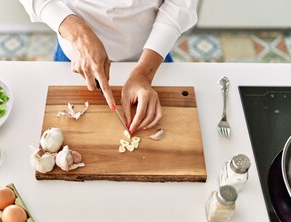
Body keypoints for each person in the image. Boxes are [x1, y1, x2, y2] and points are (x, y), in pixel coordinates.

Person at [19, 0, 198, 135]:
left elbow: (180, 4)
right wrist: (78, 34)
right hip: (74, 55)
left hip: (152, 55)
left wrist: (144, 73)